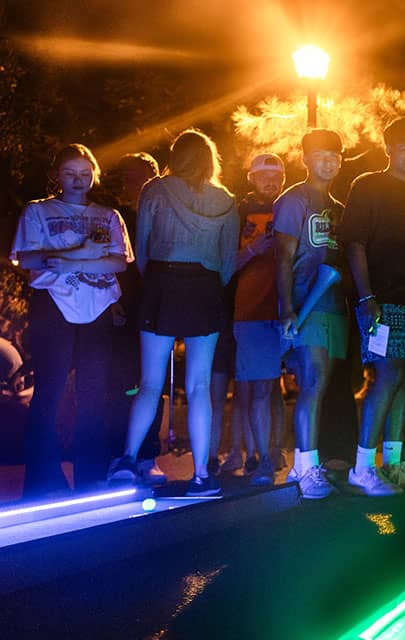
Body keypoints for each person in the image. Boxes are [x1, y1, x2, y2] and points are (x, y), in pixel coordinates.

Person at [108, 129, 239, 497]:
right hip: (206, 288)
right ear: (210, 160)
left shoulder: (155, 190)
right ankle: (201, 476)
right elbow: (228, 262)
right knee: (199, 386)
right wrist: (207, 280)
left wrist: (159, 279)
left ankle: (128, 462)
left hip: (162, 284)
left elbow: (143, 248)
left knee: (149, 382)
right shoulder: (226, 200)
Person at [11, 144, 133, 497]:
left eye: (85, 173)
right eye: (70, 173)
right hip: (52, 306)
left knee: (94, 395)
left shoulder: (108, 215)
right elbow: (28, 258)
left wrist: (68, 262)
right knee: (48, 393)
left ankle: (91, 476)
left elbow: (117, 262)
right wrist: (79, 255)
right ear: (57, 175)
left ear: (94, 174)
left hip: (96, 309)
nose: (78, 180)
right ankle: (43, 480)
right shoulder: (38, 211)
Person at [341, 118, 405, 495]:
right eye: (404, 146)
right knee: (386, 376)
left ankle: (394, 464)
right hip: (381, 300)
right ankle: (363, 468)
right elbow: (355, 244)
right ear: (388, 148)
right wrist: (366, 298)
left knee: (403, 380)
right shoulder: (367, 186)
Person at [273, 131, 349, 499]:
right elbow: (283, 257)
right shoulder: (294, 200)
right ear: (305, 159)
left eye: (335, 155)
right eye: (321, 155)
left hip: (334, 306)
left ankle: (304, 463)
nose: (329, 161)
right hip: (306, 303)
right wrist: (287, 308)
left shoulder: (337, 205)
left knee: (322, 386)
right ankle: (306, 467)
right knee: (313, 382)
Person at [105, 152, 166, 486]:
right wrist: (113, 301)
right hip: (125, 311)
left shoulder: (163, 218)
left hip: (157, 310)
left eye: (138, 176)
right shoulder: (118, 218)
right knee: (121, 386)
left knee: (153, 385)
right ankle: (119, 455)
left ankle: (147, 457)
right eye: (127, 176)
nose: (132, 183)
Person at [231, 153, 287, 485]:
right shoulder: (238, 213)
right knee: (261, 389)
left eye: (275, 175)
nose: (270, 181)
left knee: (280, 389)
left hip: (292, 308)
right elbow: (225, 264)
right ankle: (262, 457)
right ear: (251, 178)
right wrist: (254, 250)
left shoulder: (292, 207)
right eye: (263, 175)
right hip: (252, 310)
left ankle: (276, 451)